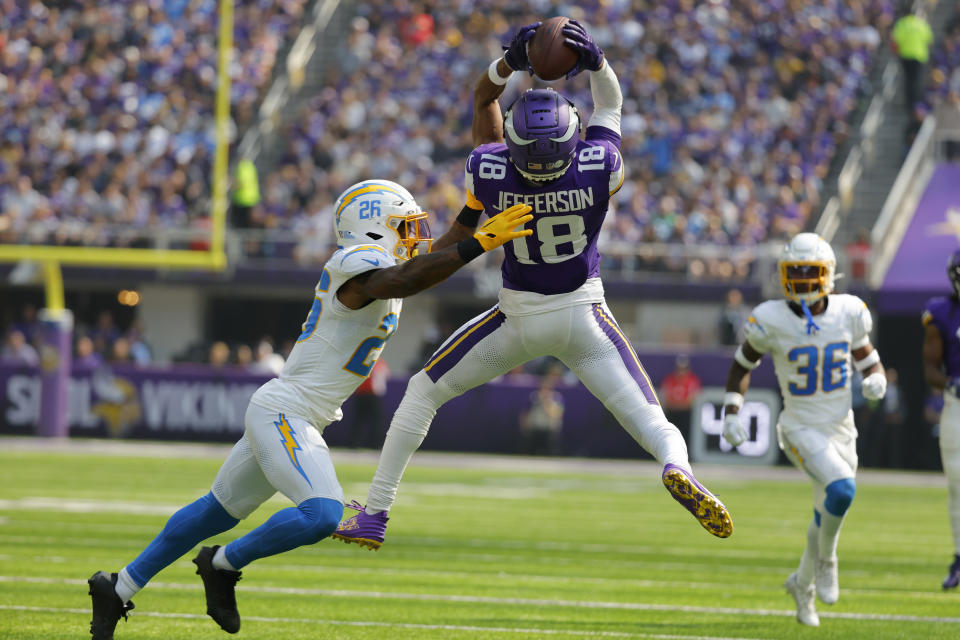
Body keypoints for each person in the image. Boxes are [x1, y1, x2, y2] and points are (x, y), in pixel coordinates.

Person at [332, 22, 734, 553]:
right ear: (571, 137)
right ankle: (676, 466)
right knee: (650, 419)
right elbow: (609, 108)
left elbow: (483, 101)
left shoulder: (491, 169)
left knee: (422, 393)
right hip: (585, 317)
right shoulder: (599, 167)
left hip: (516, 317)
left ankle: (376, 511)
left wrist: (508, 62)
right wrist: (598, 64)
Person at [87, 179, 533, 639]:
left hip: (297, 411)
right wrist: (480, 243)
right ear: (374, 228)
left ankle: (117, 587)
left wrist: (474, 208)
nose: (415, 235)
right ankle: (222, 564)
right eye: (404, 226)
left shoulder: (384, 262)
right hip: (287, 410)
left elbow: (430, 258)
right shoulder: (355, 264)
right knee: (321, 513)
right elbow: (406, 278)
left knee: (215, 512)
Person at [721, 232, 887, 627]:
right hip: (799, 427)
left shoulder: (848, 311)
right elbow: (742, 364)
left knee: (824, 514)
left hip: (841, 429)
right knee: (842, 490)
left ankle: (802, 586)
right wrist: (731, 411)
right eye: (792, 271)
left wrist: (876, 379)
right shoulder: (771, 317)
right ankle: (829, 561)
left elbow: (868, 359)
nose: (798, 279)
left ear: (827, 274)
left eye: (807, 271)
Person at [921, 249, 960, 590]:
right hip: (957, 404)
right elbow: (931, 367)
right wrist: (950, 382)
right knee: (957, 484)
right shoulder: (942, 313)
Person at [892, 7, 933, 113]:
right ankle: (916, 103)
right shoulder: (922, 24)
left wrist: (897, 53)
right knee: (917, 80)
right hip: (920, 56)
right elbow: (929, 42)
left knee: (908, 81)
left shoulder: (902, 23)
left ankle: (909, 104)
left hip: (905, 56)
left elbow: (895, 41)